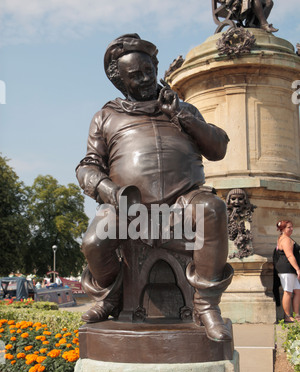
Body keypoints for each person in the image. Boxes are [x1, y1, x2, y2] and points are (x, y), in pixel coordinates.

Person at [76, 34, 234, 342]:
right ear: (119, 81)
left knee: (213, 209)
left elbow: (218, 148)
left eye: (150, 70)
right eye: (135, 76)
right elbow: (87, 166)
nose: (147, 79)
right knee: (95, 242)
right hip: (128, 206)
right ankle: (112, 293)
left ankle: (205, 304)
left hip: (183, 201)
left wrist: (183, 115)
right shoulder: (106, 116)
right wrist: (110, 192)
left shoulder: (181, 108)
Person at [273, 220, 300, 322]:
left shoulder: (284, 238)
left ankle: (297, 315)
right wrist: (298, 269)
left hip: (289, 269)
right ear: (283, 229)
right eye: (289, 227)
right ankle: (287, 316)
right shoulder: (285, 240)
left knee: (297, 291)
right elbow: (289, 255)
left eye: (292, 227)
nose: (291, 229)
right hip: (287, 269)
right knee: (288, 291)